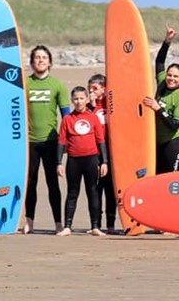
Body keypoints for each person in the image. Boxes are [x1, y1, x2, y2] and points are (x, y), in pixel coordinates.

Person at [24, 45, 70, 234]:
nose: (40, 60)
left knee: (53, 183)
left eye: (44, 57)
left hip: (51, 142)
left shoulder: (57, 85)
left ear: (50, 62)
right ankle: (29, 222)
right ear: (32, 62)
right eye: (37, 58)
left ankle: (58, 223)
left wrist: (66, 142)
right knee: (30, 182)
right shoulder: (24, 84)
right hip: (29, 142)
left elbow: (67, 117)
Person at [56, 86, 108, 237]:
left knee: (92, 192)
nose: (78, 102)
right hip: (73, 160)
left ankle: (95, 226)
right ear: (72, 101)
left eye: (81, 99)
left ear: (86, 100)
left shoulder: (93, 118)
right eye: (76, 99)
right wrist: (59, 162)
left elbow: (101, 140)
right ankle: (67, 226)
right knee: (72, 193)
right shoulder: (67, 119)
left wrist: (104, 161)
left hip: (91, 159)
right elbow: (61, 141)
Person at [143, 25, 179, 175]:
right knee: (158, 182)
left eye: (176, 76)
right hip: (157, 144)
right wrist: (167, 41)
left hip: (173, 145)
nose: (171, 78)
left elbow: (174, 125)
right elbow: (159, 63)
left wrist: (158, 109)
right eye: (170, 75)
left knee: (174, 184)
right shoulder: (163, 84)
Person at [87, 73, 115, 234]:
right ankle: (95, 224)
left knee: (110, 189)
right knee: (96, 189)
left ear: (103, 89)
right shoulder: (90, 107)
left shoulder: (109, 103)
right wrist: (91, 104)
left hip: (110, 151)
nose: (92, 91)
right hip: (94, 152)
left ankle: (110, 224)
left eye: (95, 88)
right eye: (90, 88)